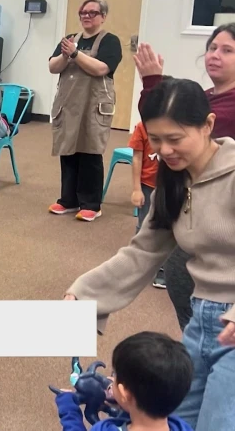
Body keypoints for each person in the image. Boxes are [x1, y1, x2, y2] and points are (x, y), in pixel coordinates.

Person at [63, 77, 235, 431]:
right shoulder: (174, 181)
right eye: (156, 139)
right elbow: (142, 252)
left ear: (208, 125)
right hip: (201, 321)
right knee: (175, 422)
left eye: (175, 139)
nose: (165, 150)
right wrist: (85, 292)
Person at [134, 24, 235, 330]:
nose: (214, 55)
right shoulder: (203, 97)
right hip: (186, 204)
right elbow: (160, 122)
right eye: (212, 47)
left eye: (227, 50)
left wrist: (154, 84)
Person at [48, 0, 122, 222]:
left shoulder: (110, 41)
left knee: (90, 152)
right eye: (83, 12)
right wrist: (66, 53)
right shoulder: (70, 39)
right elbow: (53, 66)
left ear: (103, 16)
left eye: (92, 12)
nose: (87, 16)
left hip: (93, 105)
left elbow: (101, 68)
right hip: (68, 104)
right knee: (68, 150)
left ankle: (91, 204)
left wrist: (75, 54)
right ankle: (68, 200)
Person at [54, 332, 193, 431]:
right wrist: (126, 404)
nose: (110, 380)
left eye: (115, 376)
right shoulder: (182, 426)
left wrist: (68, 408)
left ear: (124, 393)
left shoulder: (104, 429)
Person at [128, 121, 165, 288]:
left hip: (170, 186)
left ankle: (163, 268)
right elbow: (136, 158)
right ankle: (139, 264)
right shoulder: (142, 126)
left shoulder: (177, 122)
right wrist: (136, 189)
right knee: (144, 226)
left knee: (169, 228)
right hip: (147, 185)